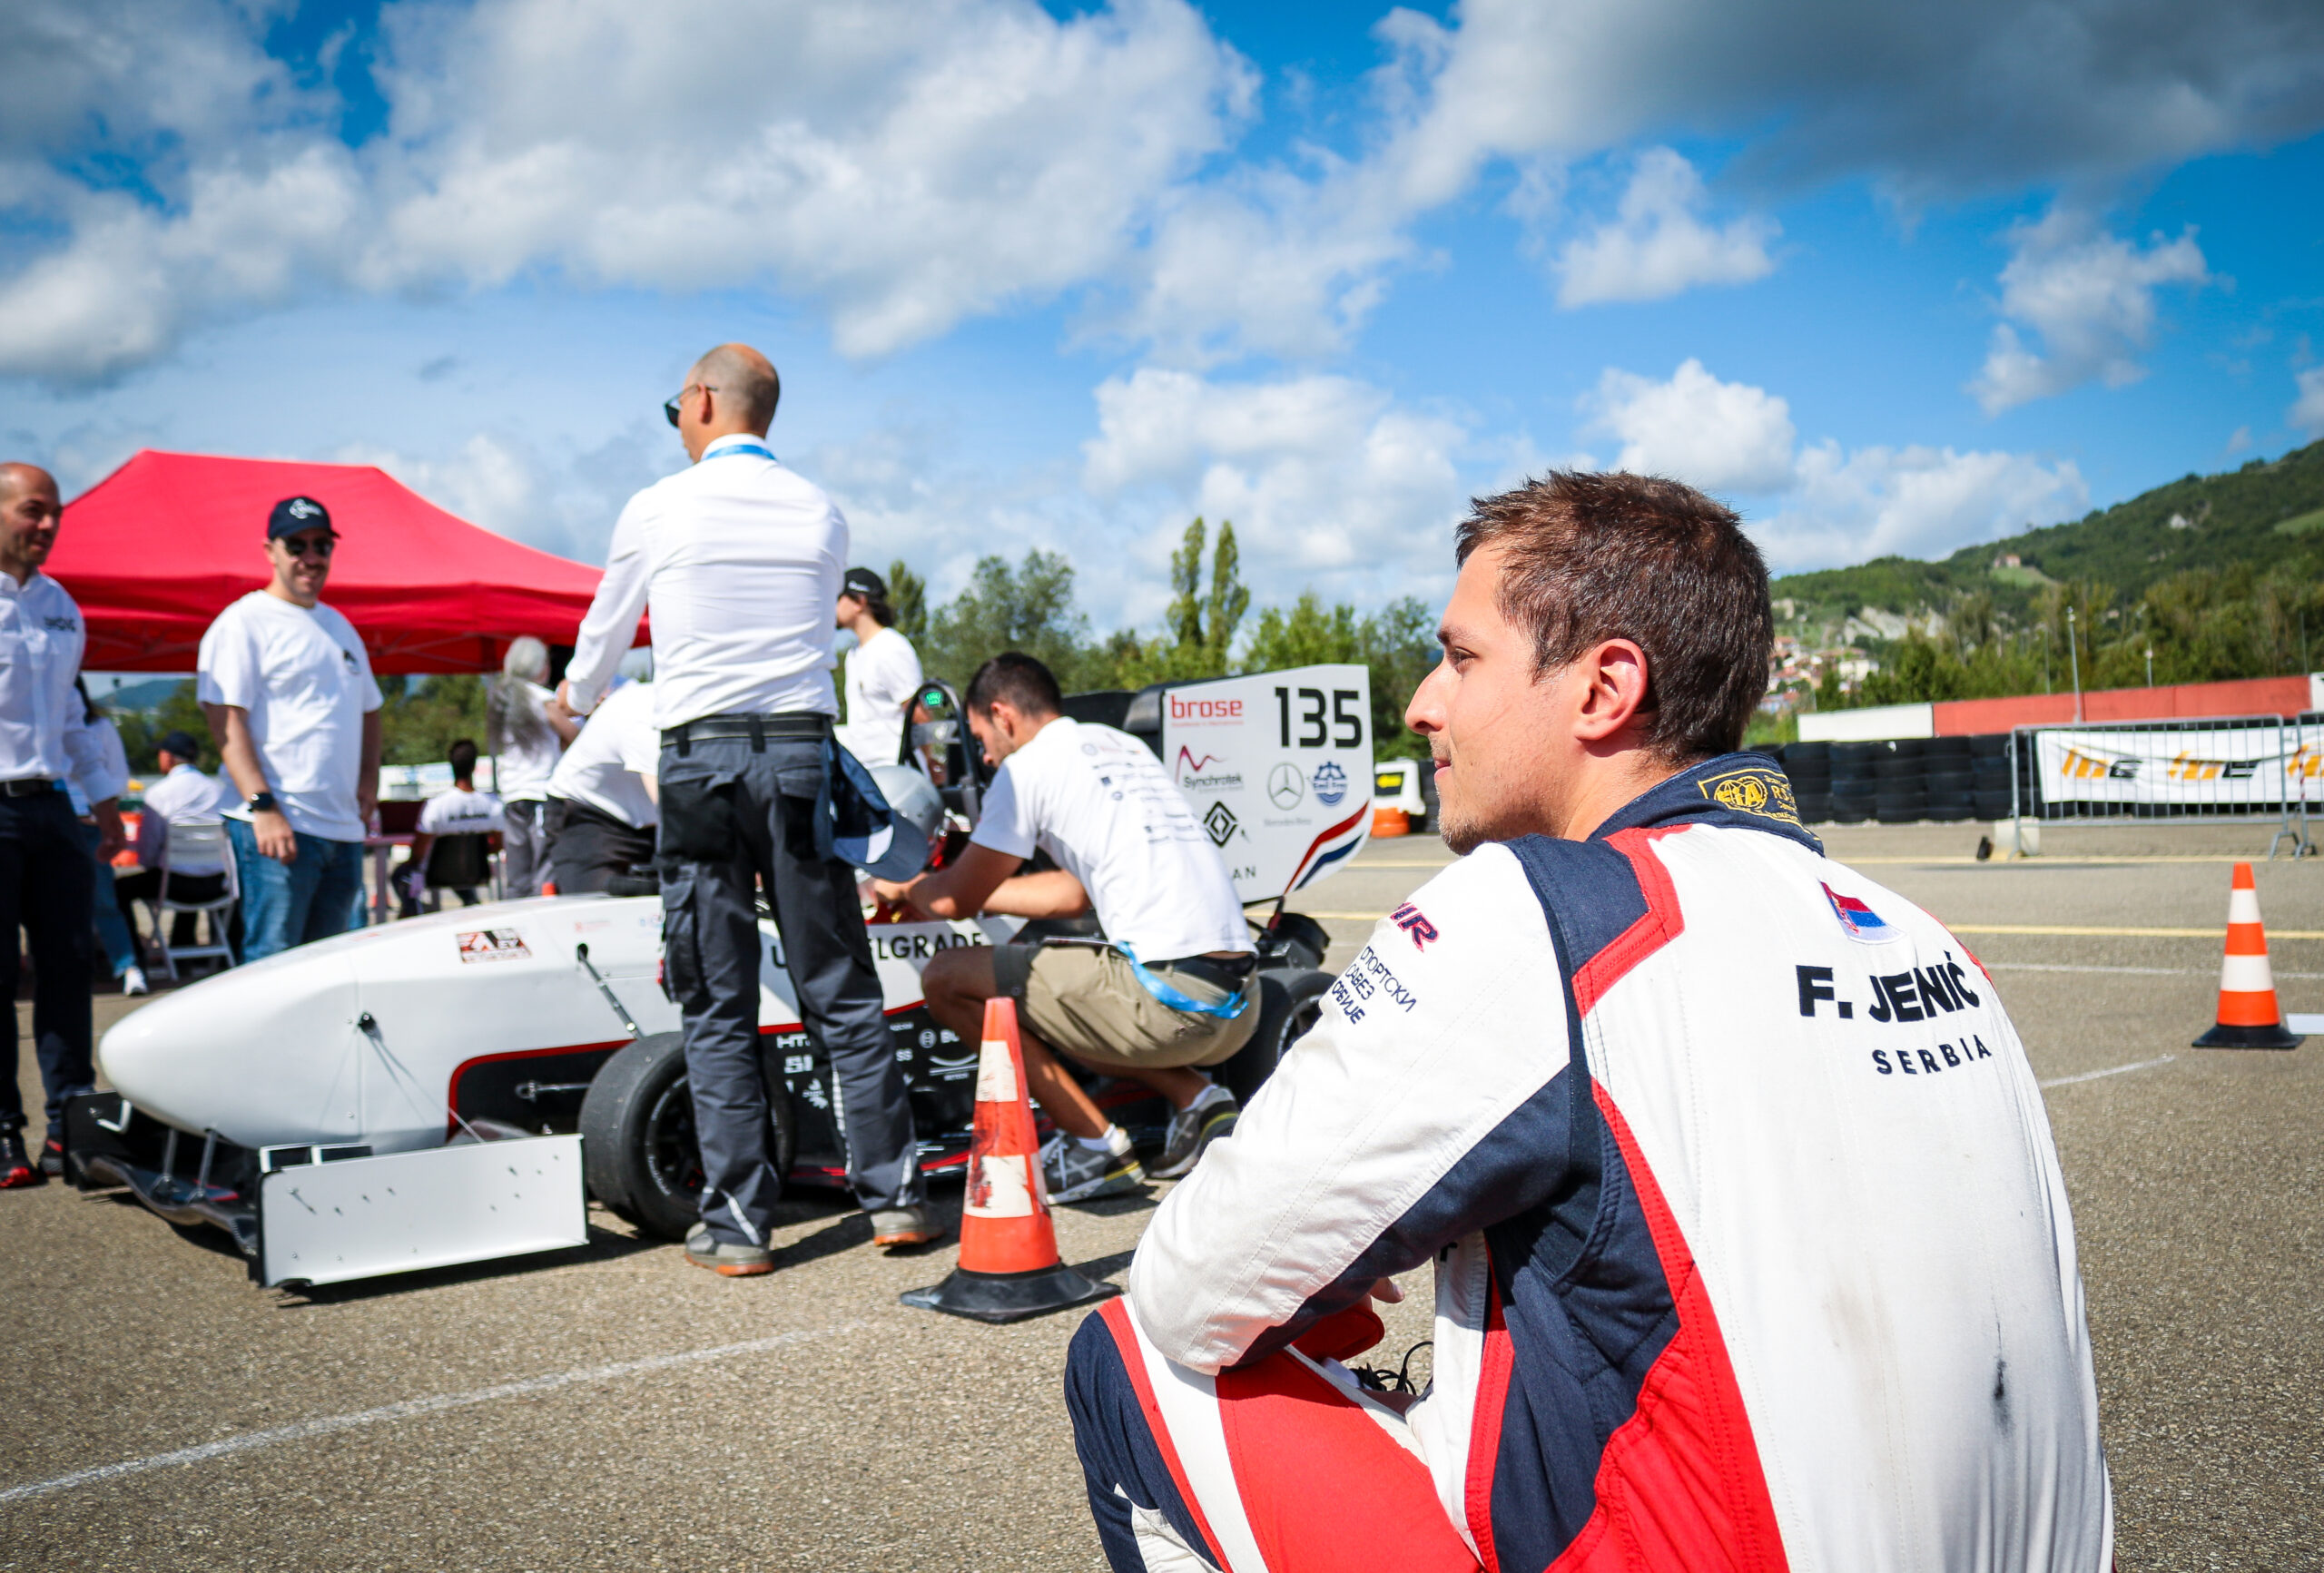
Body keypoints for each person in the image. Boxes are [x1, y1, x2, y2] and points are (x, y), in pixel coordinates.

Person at [1063, 472, 2112, 1572]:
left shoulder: (1543, 910)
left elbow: (1193, 1283)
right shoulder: (1921, 936)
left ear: (1604, 688)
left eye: (1461, 657)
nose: (1422, 703)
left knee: (1130, 1355)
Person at [562, 342, 931, 1272]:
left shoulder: (657, 504)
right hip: (800, 754)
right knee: (839, 984)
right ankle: (895, 1196)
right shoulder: (821, 510)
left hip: (700, 760)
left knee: (717, 993)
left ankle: (738, 1225)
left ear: (699, 400)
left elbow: (604, 634)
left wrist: (575, 692)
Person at [877, 652, 1256, 1202]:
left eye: (980, 739)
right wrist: (975, 895)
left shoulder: (1025, 769)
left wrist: (905, 887)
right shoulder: (1119, 745)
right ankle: (1199, 1101)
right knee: (1060, 1001)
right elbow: (1071, 892)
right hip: (1239, 1002)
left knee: (946, 978)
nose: (984, 756)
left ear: (1003, 715)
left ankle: (1095, 1147)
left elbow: (952, 898)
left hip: (1171, 1004)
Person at [0, 463, 126, 1187]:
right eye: (32, 510)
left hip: (53, 806)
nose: (47, 525)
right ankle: (3, 1132)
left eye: (55, 513)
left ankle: (71, 1124)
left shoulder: (61, 605)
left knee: (70, 962)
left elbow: (74, 719)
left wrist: (106, 807)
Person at [200, 496, 384, 962]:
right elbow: (224, 718)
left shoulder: (339, 626)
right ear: (271, 550)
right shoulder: (244, 622)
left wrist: (369, 781)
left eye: (322, 545)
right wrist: (262, 805)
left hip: (341, 828)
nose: (311, 557)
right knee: (273, 966)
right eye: (296, 545)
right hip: (278, 825)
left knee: (331, 968)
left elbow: (370, 709)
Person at [113, 728, 236, 956]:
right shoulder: (217, 790)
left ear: (168, 757)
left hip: (174, 886)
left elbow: (148, 851)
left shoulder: (160, 793)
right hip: (218, 885)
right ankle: (192, 950)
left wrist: (149, 863)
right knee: (184, 871)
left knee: (119, 890)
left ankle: (133, 956)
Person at [542, 679, 660, 894]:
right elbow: (668, 807)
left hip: (642, 819)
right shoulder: (640, 712)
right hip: (588, 813)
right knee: (596, 907)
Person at [67, 681, 147, 996]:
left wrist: (100, 809)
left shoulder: (98, 727)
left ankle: (127, 965)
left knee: (103, 901)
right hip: (48, 818)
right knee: (43, 903)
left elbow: (116, 775)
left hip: (88, 822)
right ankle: (58, 971)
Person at [487, 636, 578, 897]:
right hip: (541, 794)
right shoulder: (542, 698)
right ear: (540, 667)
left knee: (518, 875)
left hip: (512, 794)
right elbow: (574, 736)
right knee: (544, 871)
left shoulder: (501, 700)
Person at [398, 739, 505, 915]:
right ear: (474, 766)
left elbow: (418, 852)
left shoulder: (437, 806)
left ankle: (412, 912)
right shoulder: (493, 805)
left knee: (400, 873)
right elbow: (499, 845)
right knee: (461, 868)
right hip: (475, 873)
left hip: (437, 874)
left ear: (451, 765)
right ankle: (470, 900)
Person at [832, 567, 922, 770]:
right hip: (867, 771)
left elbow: (918, 711)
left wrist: (931, 762)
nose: (833, 606)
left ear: (859, 602)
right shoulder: (853, 654)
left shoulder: (891, 647)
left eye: (838, 598)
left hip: (895, 769)